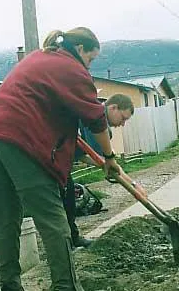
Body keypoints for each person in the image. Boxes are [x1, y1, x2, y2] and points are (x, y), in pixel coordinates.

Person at [0, 27, 122, 291]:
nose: (89, 65)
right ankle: (65, 286)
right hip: (21, 140)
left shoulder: (39, 58)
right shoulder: (71, 68)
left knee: (5, 217)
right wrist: (109, 157)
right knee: (52, 219)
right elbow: (96, 117)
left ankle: (10, 285)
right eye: (91, 59)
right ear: (80, 49)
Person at [65, 93, 147, 248]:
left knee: (68, 198)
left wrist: (133, 184)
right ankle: (64, 245)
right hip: (49, 157)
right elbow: (103, 161)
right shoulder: (95, 120)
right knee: (62, 202)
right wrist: (134, 185)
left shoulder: (99, 125)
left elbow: (87, 157)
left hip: (61, 161)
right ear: (113, 107)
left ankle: (72, 239)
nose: (122, 124)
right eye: (123, 118)